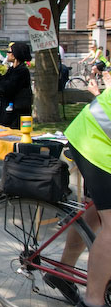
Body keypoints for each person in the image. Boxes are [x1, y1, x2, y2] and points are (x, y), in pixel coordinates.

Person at [60, 71, 111, 307]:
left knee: (98, 211)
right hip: (95, 138)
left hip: (97, 133)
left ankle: (63, 271)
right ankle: (93, 301)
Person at [0, 42, 33, 129]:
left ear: (15, 54)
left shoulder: (22, 71)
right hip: (7, 112)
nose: (7, 54)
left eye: (9, 51)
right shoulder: (12, 70)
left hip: (16, 115)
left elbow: (5, 88)